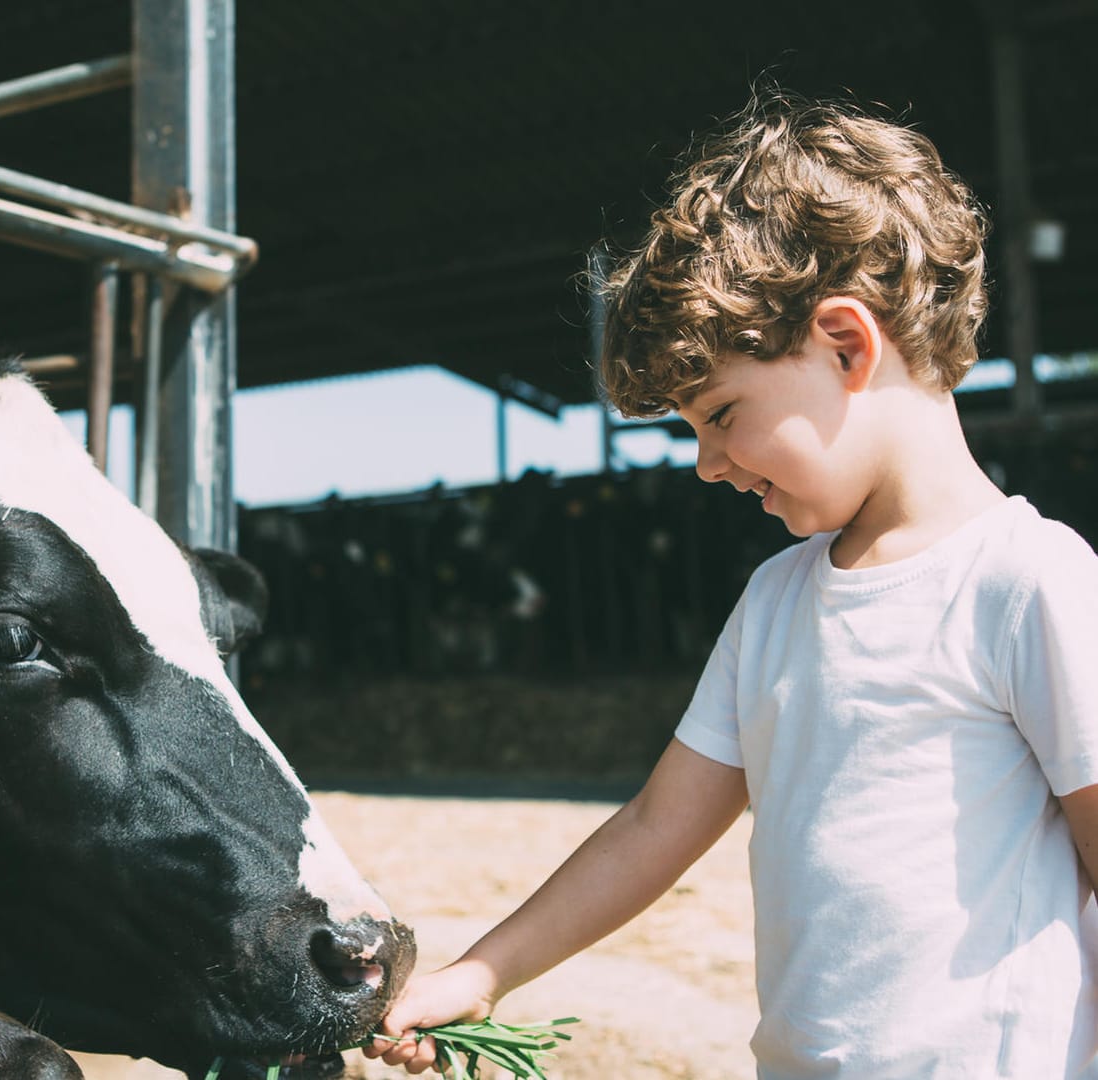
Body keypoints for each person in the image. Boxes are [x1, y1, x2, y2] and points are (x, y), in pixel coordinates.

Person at [365, 94, 1098, 1078]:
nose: (708, 463)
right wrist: (480, 973)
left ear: (846, 343)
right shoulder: (775, 604)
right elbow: (655, 826)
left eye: (721, 414)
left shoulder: (1026, 581)